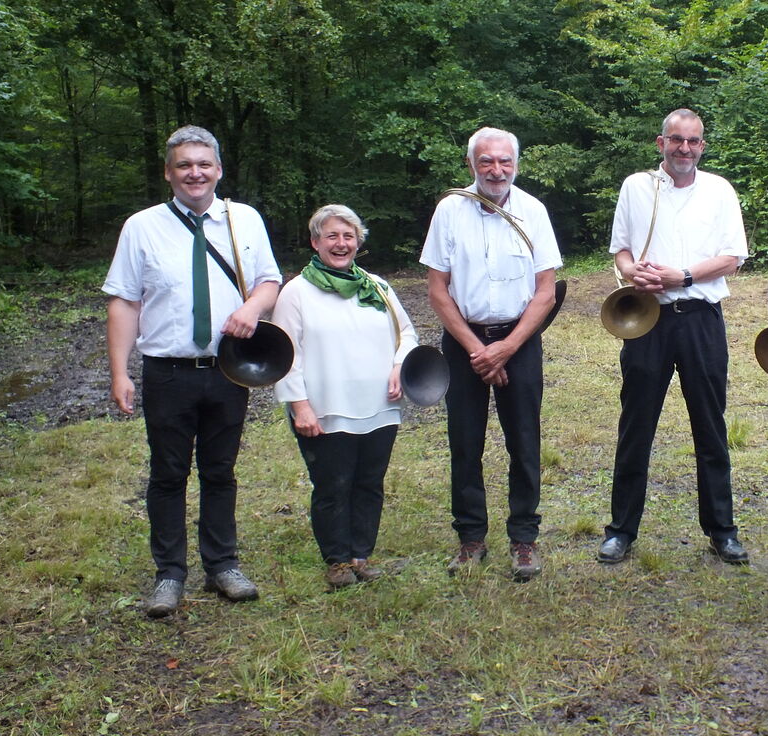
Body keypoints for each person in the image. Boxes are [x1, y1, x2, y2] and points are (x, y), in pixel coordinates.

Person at [104, 125, 281, 618]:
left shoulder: (243, 220)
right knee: (168, 473)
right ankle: (169, 574)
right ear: (169, 173)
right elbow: (123, 301)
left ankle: (222, 565)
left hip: (229, 369)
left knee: (220, 471)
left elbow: (269, 279)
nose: (195, 173)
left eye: (204, 164)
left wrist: (253, 309)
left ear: (219, 170)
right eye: (184, 165)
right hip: (168, 371)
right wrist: (120, 372)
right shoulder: (142, 227)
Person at [597, 108, 751, 566]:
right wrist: (632, 272)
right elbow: (621, 249)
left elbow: (732, 258)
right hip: (648, 321)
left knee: (711, 425)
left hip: (701, 318)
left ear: (702, 146)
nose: (685, 148)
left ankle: (722, 530)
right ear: (660, 142)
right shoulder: (635, 186)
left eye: (694, 141)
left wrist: (681, 276)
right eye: (677, 139)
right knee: (636, 425)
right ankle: (621, 530)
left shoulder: (720, 190)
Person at [419, 127, 561, 581]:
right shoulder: (449, 211)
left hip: (518, 343)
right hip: (465, 345)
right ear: (472, 165)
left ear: (516, 164)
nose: (496, 170)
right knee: (465, 441)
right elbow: (437, 290)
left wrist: (507, 348)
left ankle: (524, 538)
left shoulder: (533, 211)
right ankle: (471, 538)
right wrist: (479, 350)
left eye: (504, 161)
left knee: (524, 441)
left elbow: (546, 291)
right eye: (486, 162)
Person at [272, 205, 418, 589]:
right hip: (325, 409)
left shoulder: (377, 287)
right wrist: (299, 405)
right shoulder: (296, 293)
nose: (341, 243)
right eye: (332, 236)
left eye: (348, 236)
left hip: (379, 407)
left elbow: (407, 335)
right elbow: (285, 354)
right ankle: (336, 560)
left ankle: (361, 555)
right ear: (315, 242)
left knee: (369, 483)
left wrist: (399, 366)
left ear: (358, 242)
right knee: (333, 485)